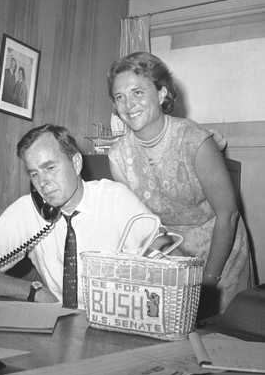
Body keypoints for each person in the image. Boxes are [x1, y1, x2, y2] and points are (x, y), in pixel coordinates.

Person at [0, 124, 175, 309]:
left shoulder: (115, 198)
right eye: (34, 173)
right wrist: (31, 291)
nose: (42, 182)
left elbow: (168, 249)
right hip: (61, 325)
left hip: (116, 321)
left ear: (76, 163)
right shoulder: (27, 210)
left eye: (49, 167)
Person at [106, 51, 254, 319]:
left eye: (137, 92)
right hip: (171, 253)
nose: (128, 104)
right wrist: (163, 271)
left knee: (223, 339)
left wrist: (208, 282)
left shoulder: (195, 141)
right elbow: (143, 225)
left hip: (221, 250)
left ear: (162, 93)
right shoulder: (118, 157)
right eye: (120, 97)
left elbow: (228, 214)